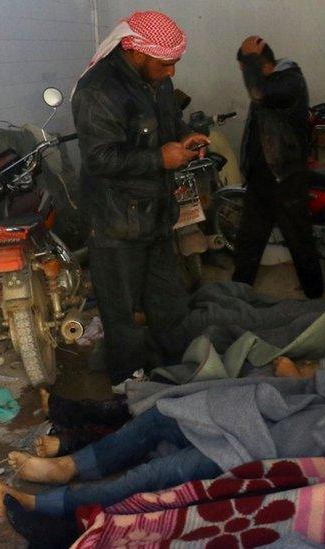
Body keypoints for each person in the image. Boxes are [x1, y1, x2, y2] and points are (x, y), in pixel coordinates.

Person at [0, 408, 325, 517]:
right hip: (252, 420)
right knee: (160, 415)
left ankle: (45, 505)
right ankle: (73, 466)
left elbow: (316, 449)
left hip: (258, 453)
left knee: (159, 475)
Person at [72, 11, 210, 387]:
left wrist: (184, 138)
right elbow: (99, 159)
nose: (172, 73)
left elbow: (167, 124)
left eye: (175, 64)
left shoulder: (157, 82)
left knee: (170, 305)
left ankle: (174, 374)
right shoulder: (99, 91)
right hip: (115, 223)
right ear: (137, 52)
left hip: (155, 216)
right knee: (123, 315)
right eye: (166, 64)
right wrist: (159, 158)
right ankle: (127, 387)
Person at [231, 36, 324, 299]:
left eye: (246, 68)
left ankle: (315, 299)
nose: (244, 75)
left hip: (285, 178)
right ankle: (237, 296)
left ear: (259, 65)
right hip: (263, 177)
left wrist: (249, 59)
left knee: (300, 241)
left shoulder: (289, 80)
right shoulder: (272, 82)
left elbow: (259, 93)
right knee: (249, 241)